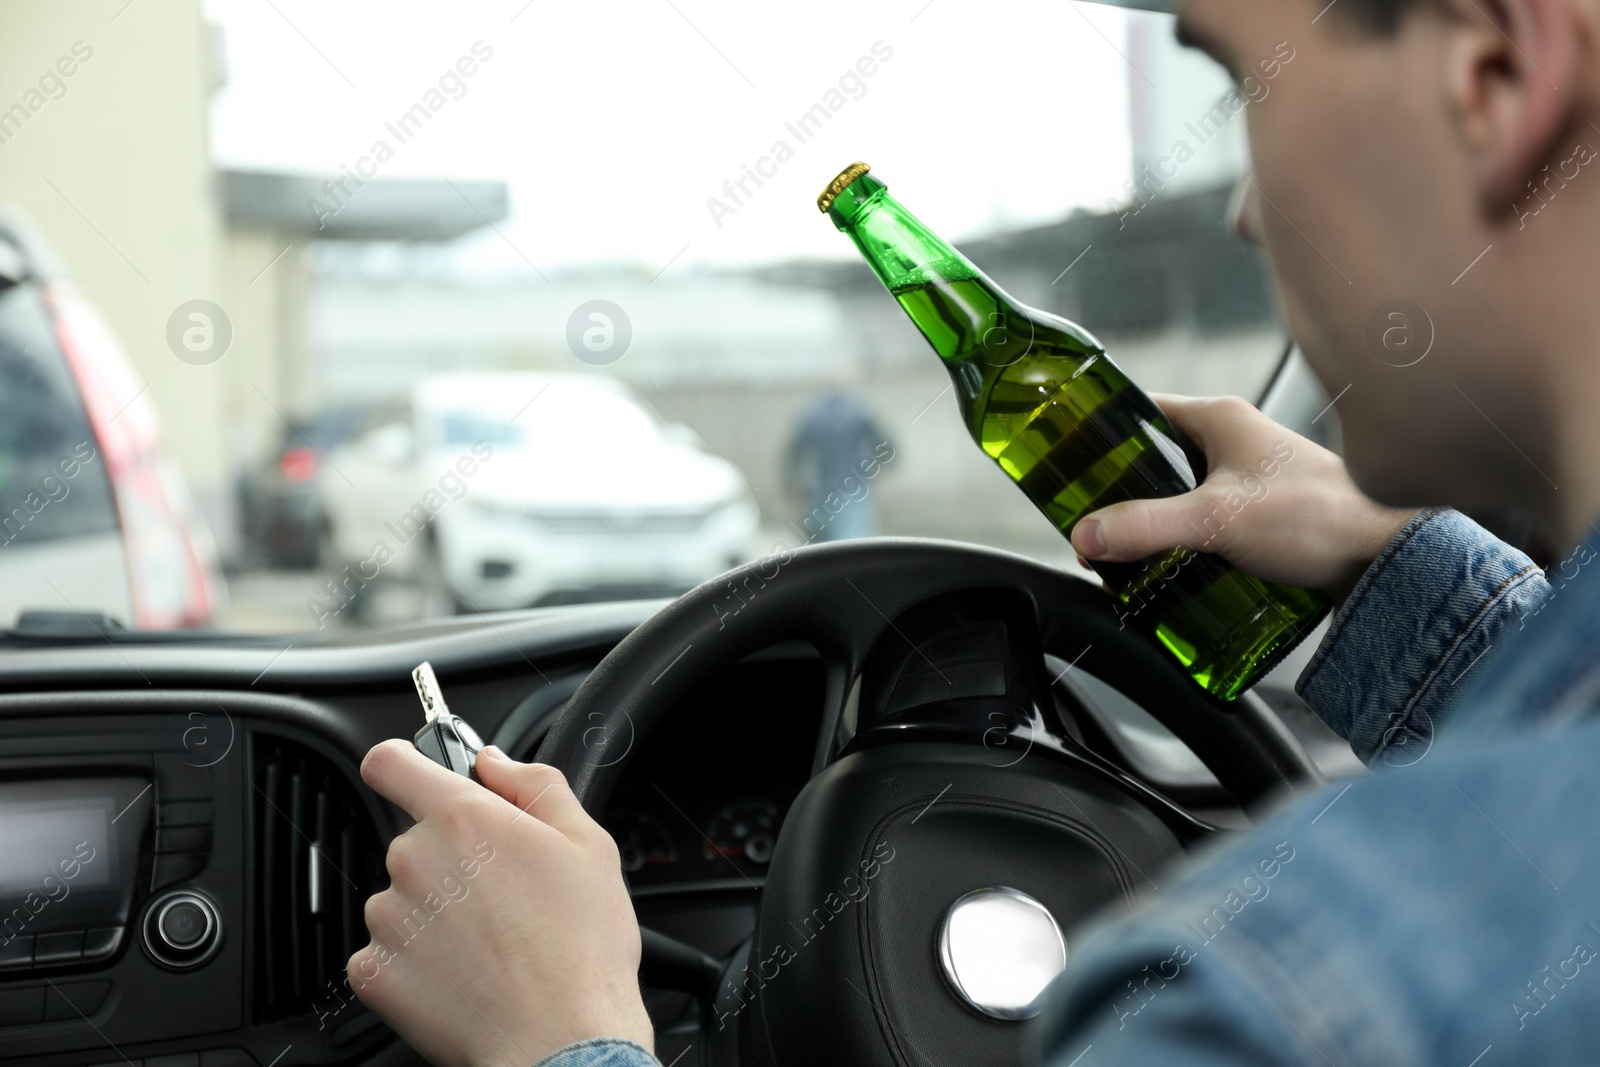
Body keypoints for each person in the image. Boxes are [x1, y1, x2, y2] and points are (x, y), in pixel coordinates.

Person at [343, 0, 1600, 1063]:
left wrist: (561, 1026)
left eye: (1234, 73)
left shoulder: (1295, 996)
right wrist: (1388, 568)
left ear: (1493, 69)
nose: (1244, 216)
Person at [781, 381, 893, 542]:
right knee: (852, 551)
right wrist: (870, 473)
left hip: (819, 495)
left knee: (819, 554)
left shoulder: (811, 415)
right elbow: (888, 449)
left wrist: (798, 489)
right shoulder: (860, 412)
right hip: (852, 493)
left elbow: (792, 457)